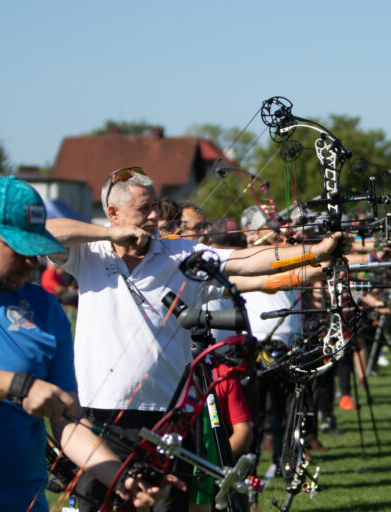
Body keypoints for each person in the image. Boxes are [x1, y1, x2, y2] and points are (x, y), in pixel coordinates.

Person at [45, 167, 346, 511]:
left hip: (168, 415)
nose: (155, 215)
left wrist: (316, 252)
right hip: (100, 413)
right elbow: (46, 231)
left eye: (156, 205)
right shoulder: (89, 254)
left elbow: (248, 262)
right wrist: (111, 233)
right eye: (144, 209)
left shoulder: (178, 253)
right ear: (114, 213)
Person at [0, 176, 173, 512]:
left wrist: (123, 480)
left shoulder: (45, 308)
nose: (34, 261)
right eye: (20, 247)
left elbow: (68, 424)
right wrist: (20, 386)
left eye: (37, 247)